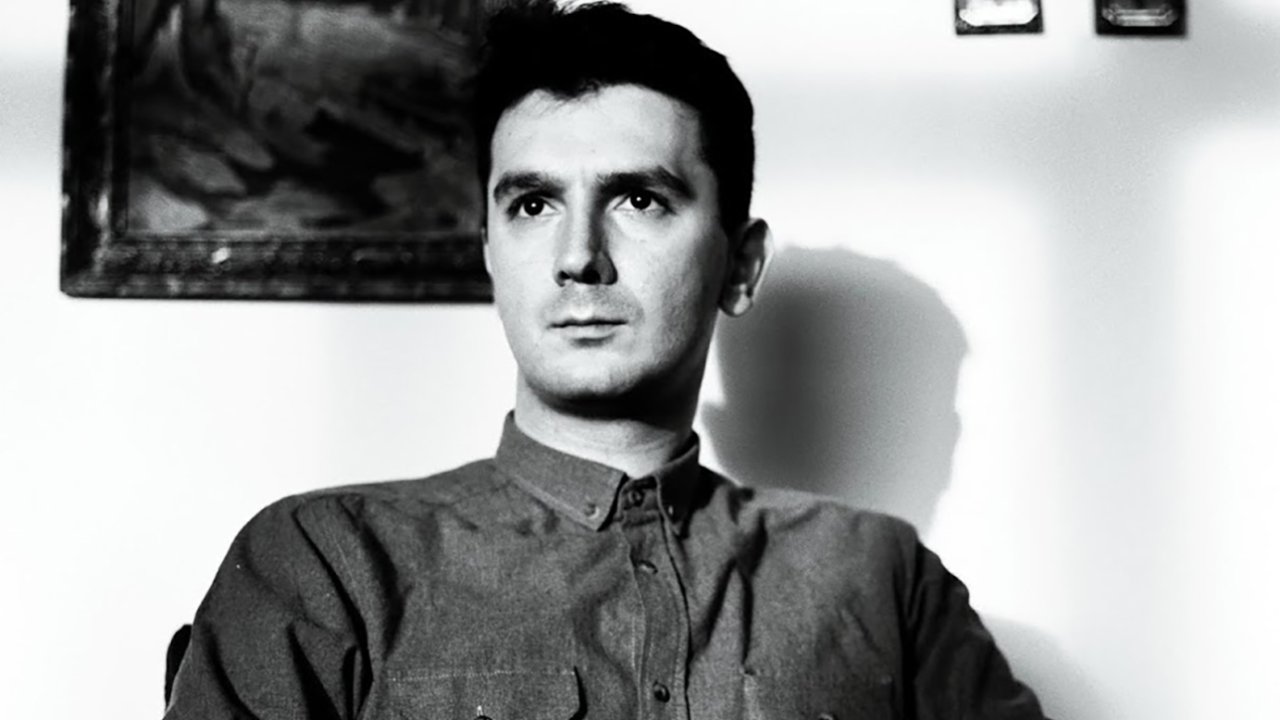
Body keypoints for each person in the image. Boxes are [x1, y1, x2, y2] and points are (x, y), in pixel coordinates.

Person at [164, 2, 1048, 718]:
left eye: (638, 199)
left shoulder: (884, 579)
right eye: (533, 204)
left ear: (740, 267)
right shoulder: (327, 564)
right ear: (490, 252)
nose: (579, 256)